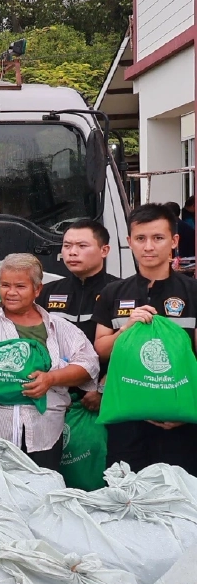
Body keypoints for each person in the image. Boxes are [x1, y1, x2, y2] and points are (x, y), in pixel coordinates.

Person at [0, 254, 100, 470]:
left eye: (20, 286)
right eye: (5, 285)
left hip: (43, 431)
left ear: (37, 289)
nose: (11, 292)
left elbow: (89, 364)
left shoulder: (58, 327)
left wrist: (51, 379)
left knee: (38, 488)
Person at [94, 203, 197, 473]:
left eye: (158, 238)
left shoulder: (192, 292)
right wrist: (125, 330)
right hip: (126, 420)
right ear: (129, 242)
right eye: (140, 238)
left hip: (179, 423)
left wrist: (188, 410)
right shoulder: (113, 292)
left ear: (174, 241)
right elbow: (101, 350)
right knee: (124, 491)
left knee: (178, 493)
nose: (148, 247)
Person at [48, 219, 118, 413]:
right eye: (67, 246)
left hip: (106, 398)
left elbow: (129, 350)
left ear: (104, 250)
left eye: (82, 246)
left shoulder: (121, 292)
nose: (72, 252)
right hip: (54, 396)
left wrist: (103, 388)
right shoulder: (48, 291)